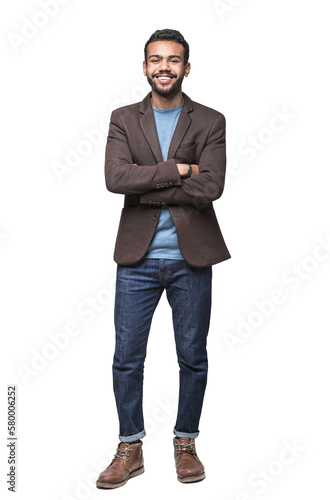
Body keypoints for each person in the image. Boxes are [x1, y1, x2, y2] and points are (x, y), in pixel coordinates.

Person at [96, 28, 231, 489]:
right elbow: (116, 178)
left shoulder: (210, 120)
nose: (164, 67)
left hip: (193, 258)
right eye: (156, 59)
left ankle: (186, 442)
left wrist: (147, 182)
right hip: (137, 260)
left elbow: (212, 187)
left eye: (173, 60)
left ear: (186, 68)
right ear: (144, 66)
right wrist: (177, 170)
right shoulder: (122, 119)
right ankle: (130, 446)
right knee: (126, 357)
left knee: (192, 356)